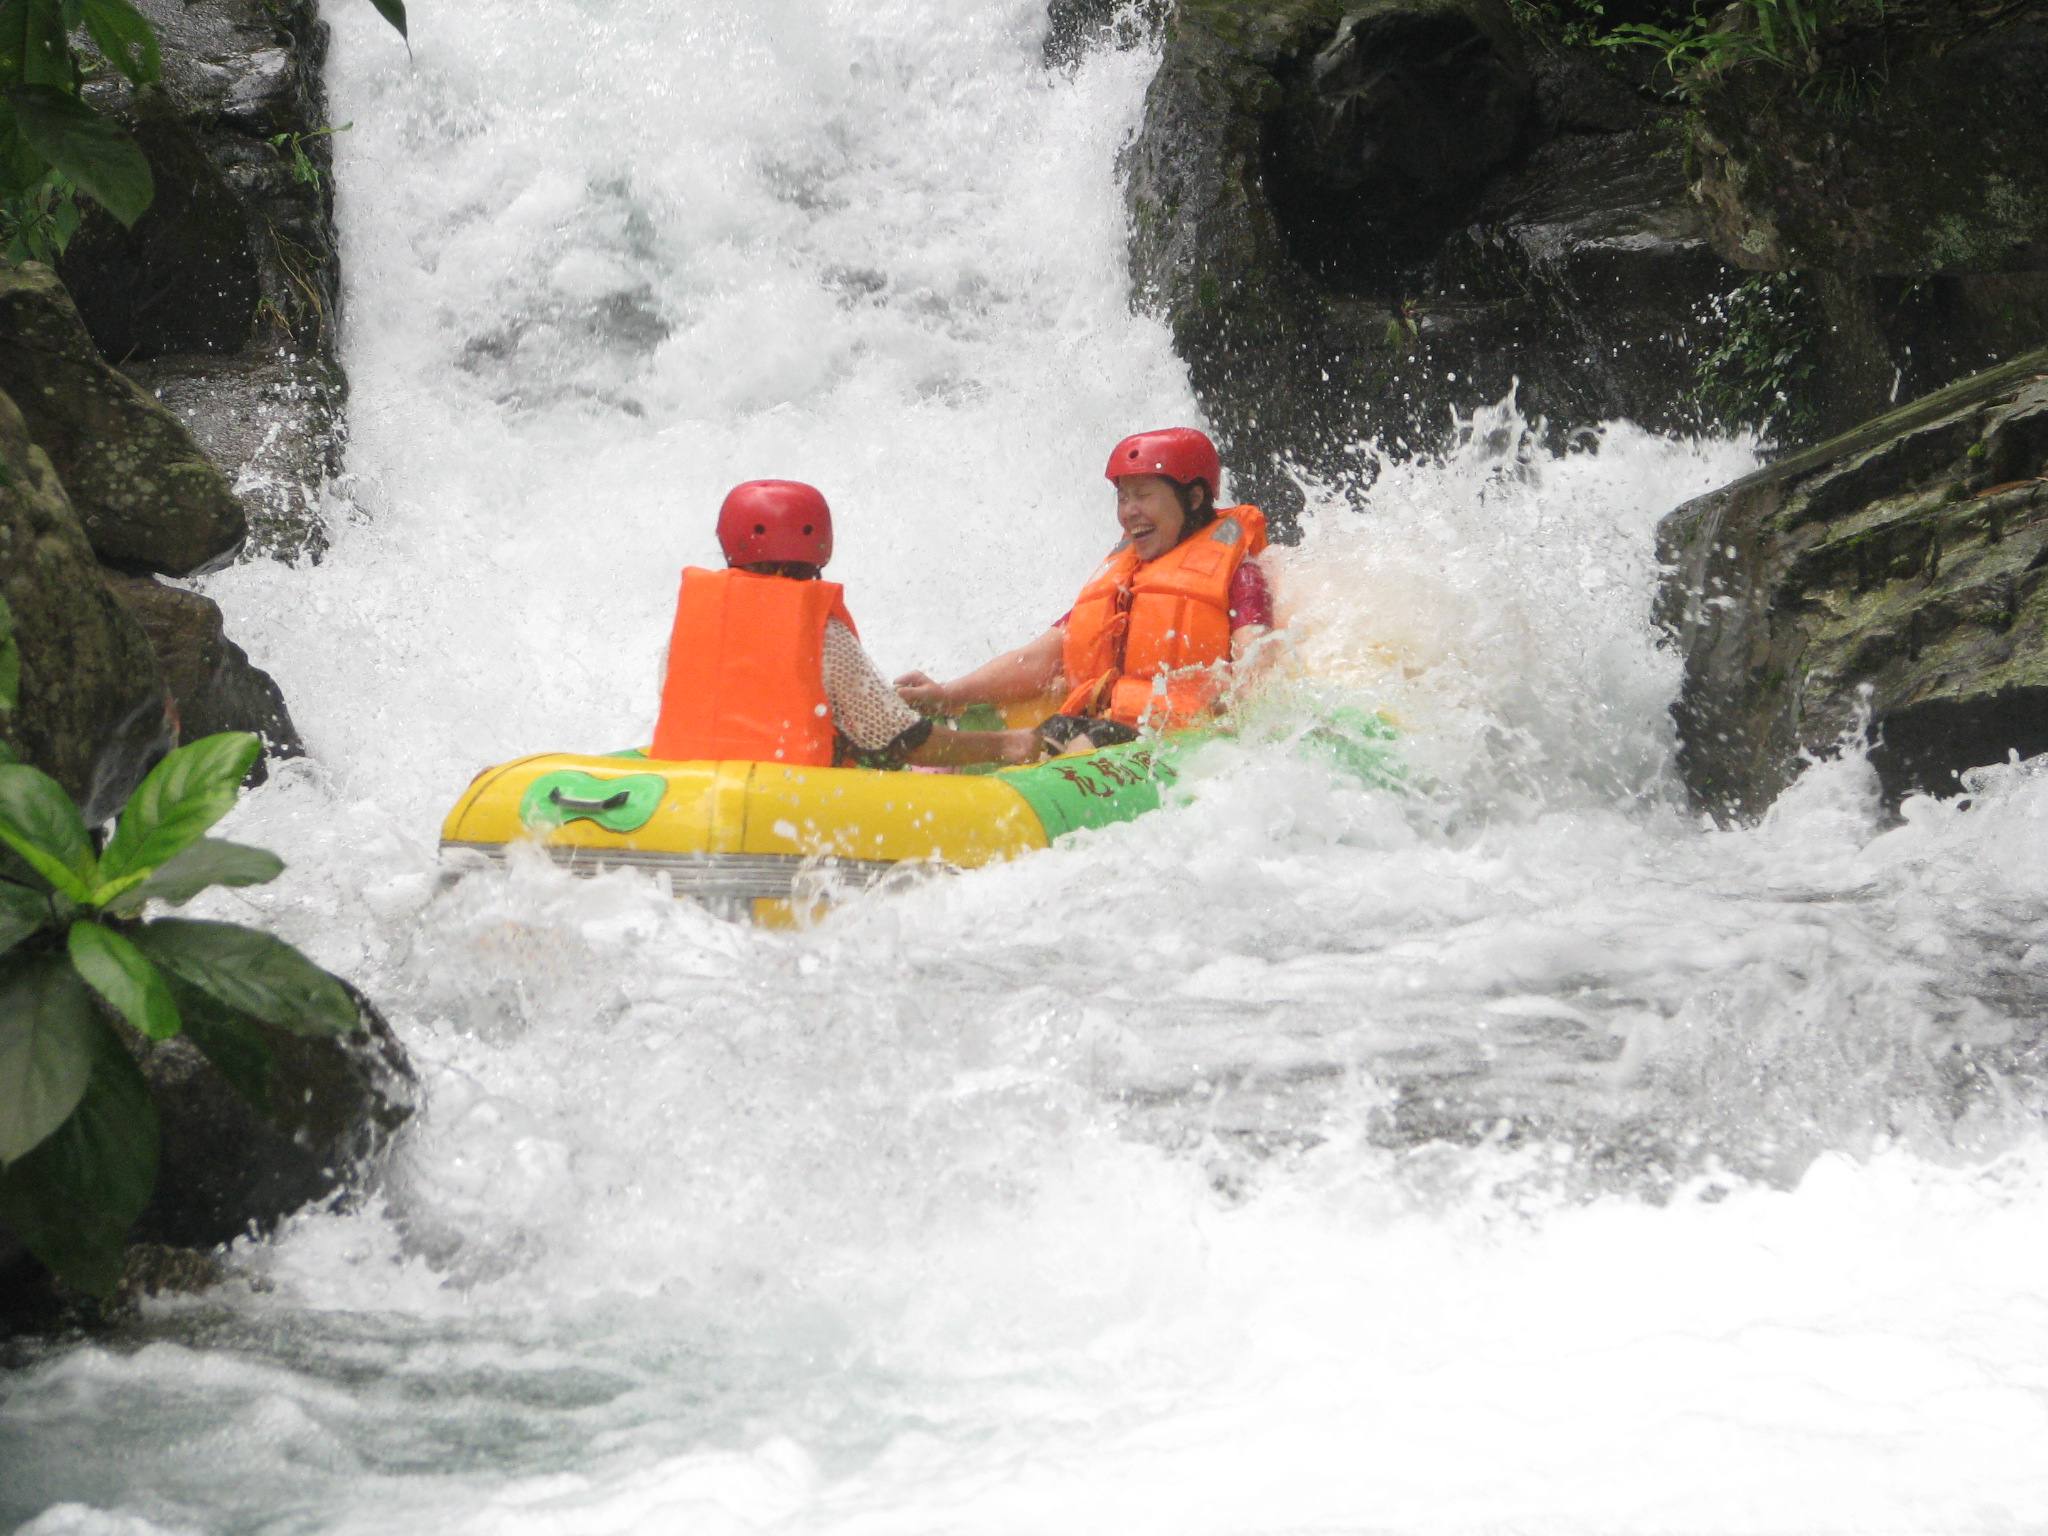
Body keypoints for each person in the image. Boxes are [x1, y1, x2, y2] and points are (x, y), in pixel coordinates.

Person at [895, 428, 1272, 749]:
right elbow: (1041, 658)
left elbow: (1256, 663)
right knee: (1060, 732)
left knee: (1081, 739)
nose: (1128, 512)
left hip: (1171, 739)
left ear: (1193, 498)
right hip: (1099, 728)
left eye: (1143, 495)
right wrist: (948, 694)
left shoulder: (1239, 574)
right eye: (1123, 498)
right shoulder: (1123, 577)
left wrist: (1236, 734)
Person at [650, 480, 1039, 768]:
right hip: (788, 802)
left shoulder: (687, 632)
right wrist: (1006, 744)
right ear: (819, 544)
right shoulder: (821, 637)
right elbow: (902, 741)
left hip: (689, 793)